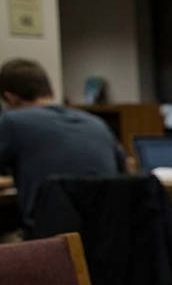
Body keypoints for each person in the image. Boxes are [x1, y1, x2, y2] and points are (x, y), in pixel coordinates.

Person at [0, 58, 125, 235]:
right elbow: (123, 171)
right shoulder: (96, 123)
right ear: (50, 90)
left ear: (9, 98)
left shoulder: (12, 121)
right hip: (107, 239)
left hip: (52, 242)